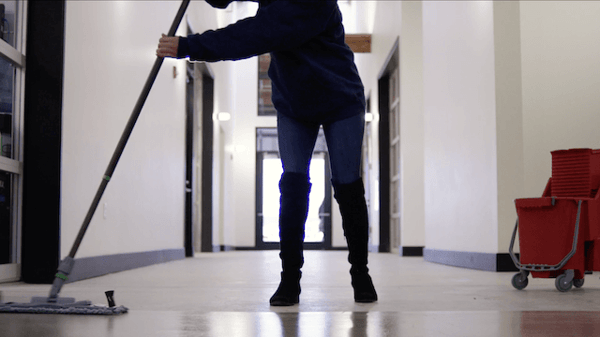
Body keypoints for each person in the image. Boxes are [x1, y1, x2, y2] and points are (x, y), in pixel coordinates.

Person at [157, 0, 377, 306]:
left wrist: (189, 46)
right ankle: (289, 279)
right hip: (293, 101)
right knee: (293, 183)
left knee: (346, 184)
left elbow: (261, 32)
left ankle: (360, 273)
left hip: (340, 96)